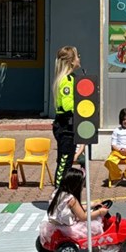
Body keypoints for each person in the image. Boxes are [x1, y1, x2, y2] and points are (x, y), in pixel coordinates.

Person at [39, 166, 110, 245]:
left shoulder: (58, 193)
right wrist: (100, 212)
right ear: (76, 185)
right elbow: (83, 217)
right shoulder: (71, 199)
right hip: (69, 229)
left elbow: (74, 210)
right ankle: (101, 247)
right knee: (96, 225)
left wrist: (92, 205)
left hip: (55, 225)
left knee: (92, 215)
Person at [51, 46, 80, 184]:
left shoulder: (72, 78)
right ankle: (58, 195)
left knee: (67, 162)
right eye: (77, 56)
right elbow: (68, 105)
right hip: (65, 126)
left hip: (69, 126)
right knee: (64, 164)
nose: (79, 58)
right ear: (71, 61)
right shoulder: (66, 80)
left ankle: (64, 195)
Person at [104, 108, 126, 186]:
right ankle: (118, 176)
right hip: (117, 152)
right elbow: (113, 144)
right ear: (121, 120)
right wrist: (120, 149)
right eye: (124, 119)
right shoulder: (116, 130)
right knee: (110, 161)